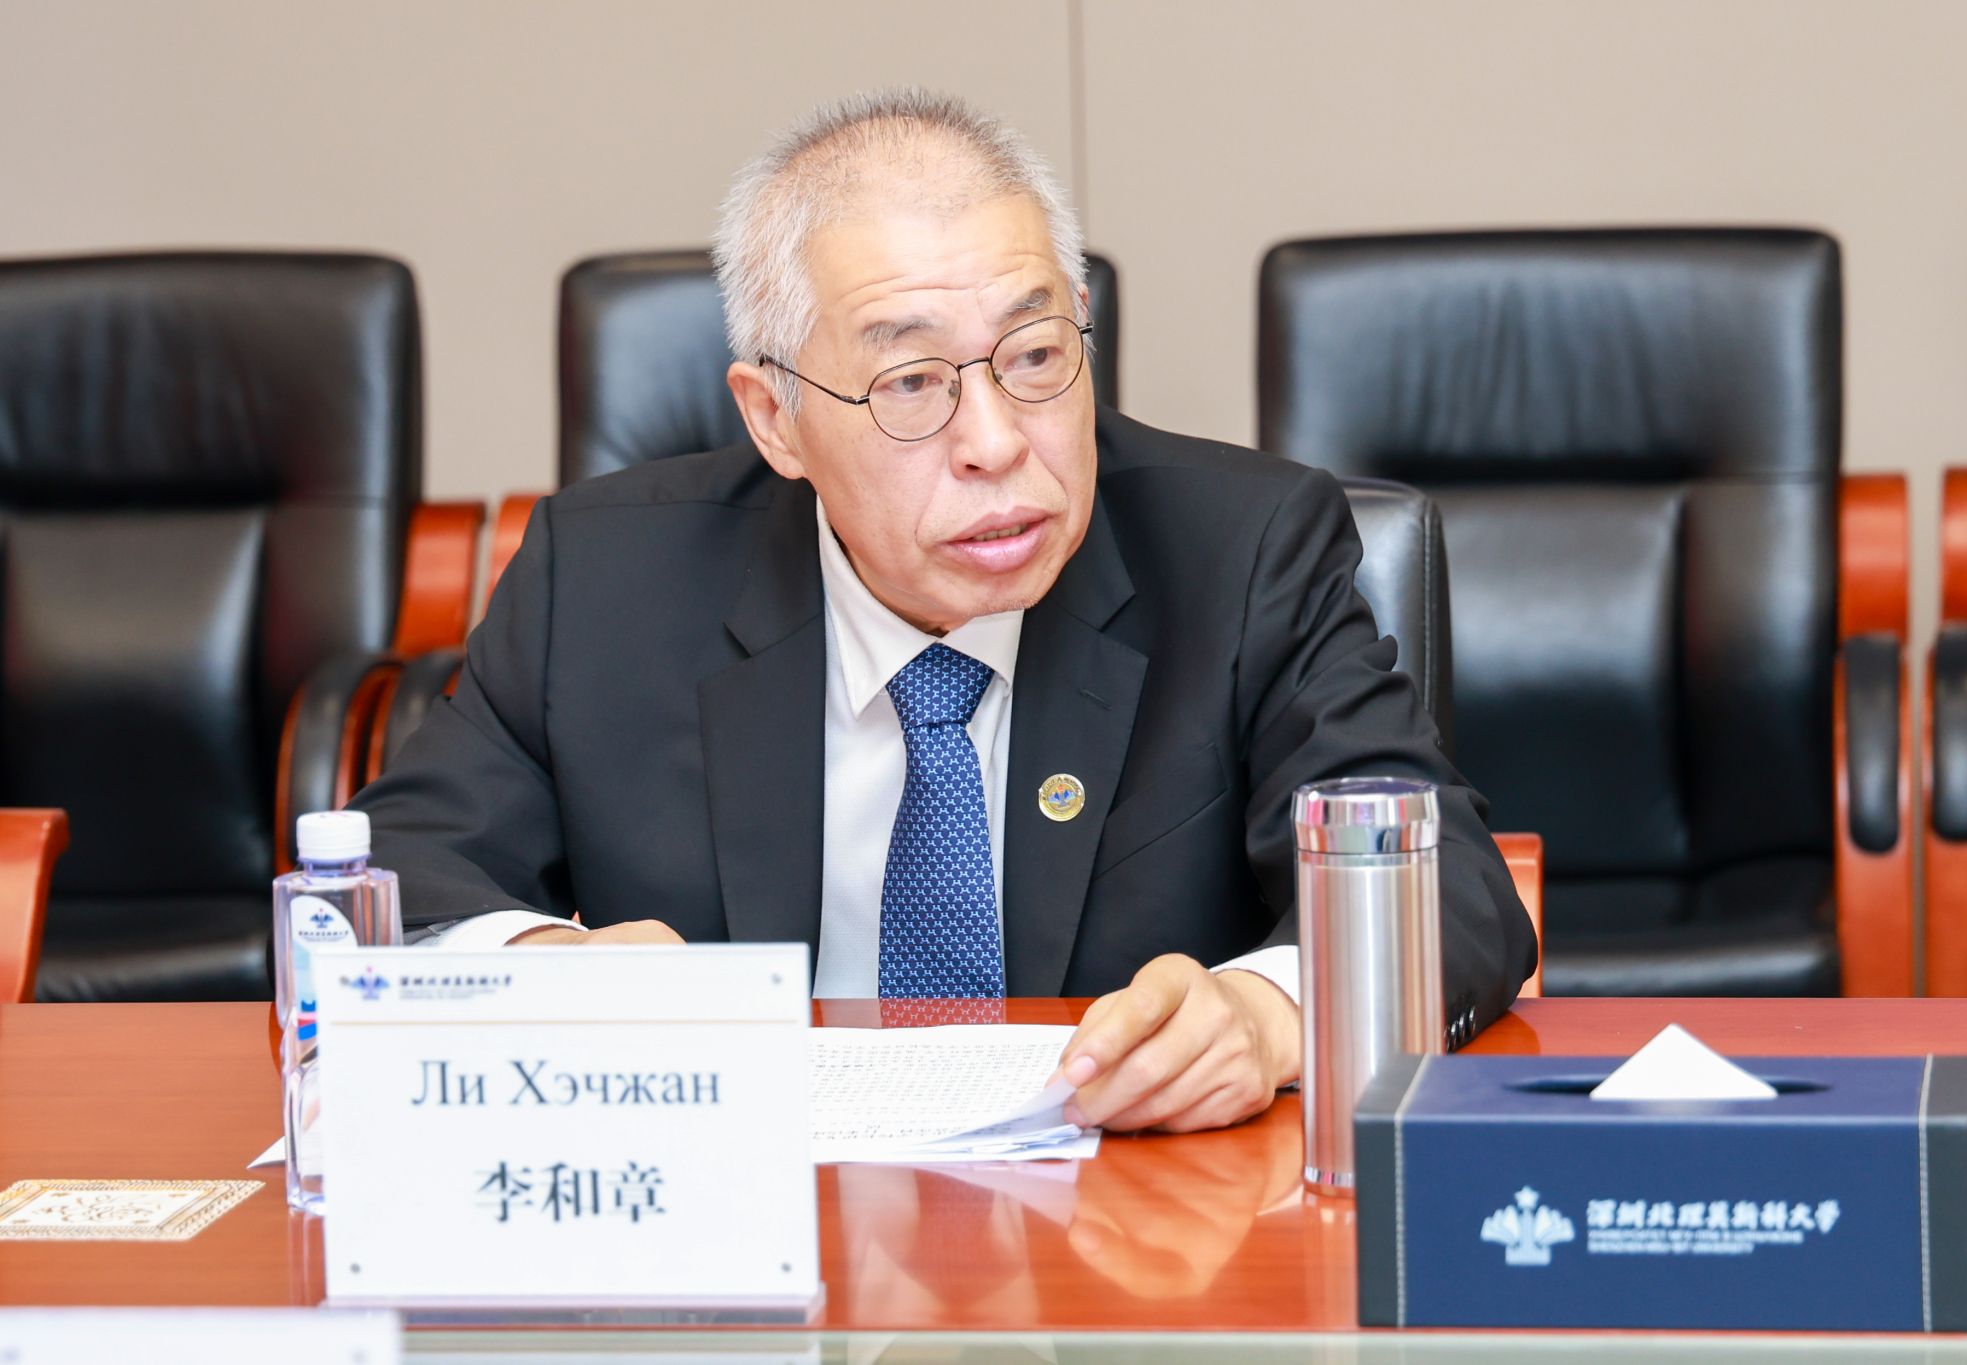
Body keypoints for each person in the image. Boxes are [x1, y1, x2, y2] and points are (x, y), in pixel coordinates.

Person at [351, 88, 1536, 1135]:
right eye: (911, 382)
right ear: (773, 419)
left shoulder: (1240, 551)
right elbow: (390, 886)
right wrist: (552, 973)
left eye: (1034, 354)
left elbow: (1449, 890)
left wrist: (1266, 1016)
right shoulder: (607, 578)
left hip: (1134, 1238)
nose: (995, 441)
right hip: (760, 1229)